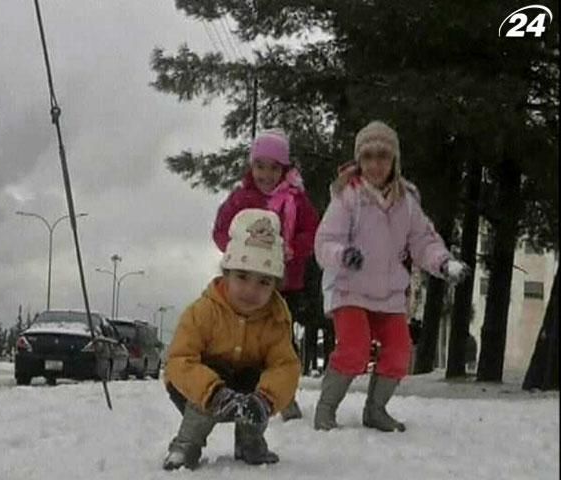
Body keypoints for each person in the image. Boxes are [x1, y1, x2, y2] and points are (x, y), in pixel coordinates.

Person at [313, 120, 468, 432]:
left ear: (394, 159)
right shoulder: (348, 196)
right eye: (367, 156)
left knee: (399, 350)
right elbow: (324, 241)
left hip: (389, 294)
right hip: (350, 289)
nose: (375, 164)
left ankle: (376, 409)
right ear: (359, 160)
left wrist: (444, 263)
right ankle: (326, 408)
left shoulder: (406, 202)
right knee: (354, 350)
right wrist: (344, 255)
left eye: (382, 156)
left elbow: (423, 242)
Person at [163, 208, 300, 470]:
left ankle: (250, 441)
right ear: (226, 275)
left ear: (275, 286)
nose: (251, 289)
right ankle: (186, 443)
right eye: (242, 276)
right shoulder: (202, 311)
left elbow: (285, 365)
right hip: (199, 390)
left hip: (248, 389)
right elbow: (179, 359)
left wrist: (267, 400)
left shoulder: (276, 320)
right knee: (210, 377)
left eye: (264, 282)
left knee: (260, 382)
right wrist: (213, 392)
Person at [212, 129, 319, 421]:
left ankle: (284, 394)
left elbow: (312, 232)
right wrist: (238, 254)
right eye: (260, 166)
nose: (266, 174)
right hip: (246, 284)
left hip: (285, 282)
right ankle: (245, 389)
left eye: (274, 168)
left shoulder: (296, 200)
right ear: (251, 166)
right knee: (247, 338)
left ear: (284, 169)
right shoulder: (241, 199)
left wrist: (292, 248)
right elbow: (221, 231)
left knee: (280, 340)